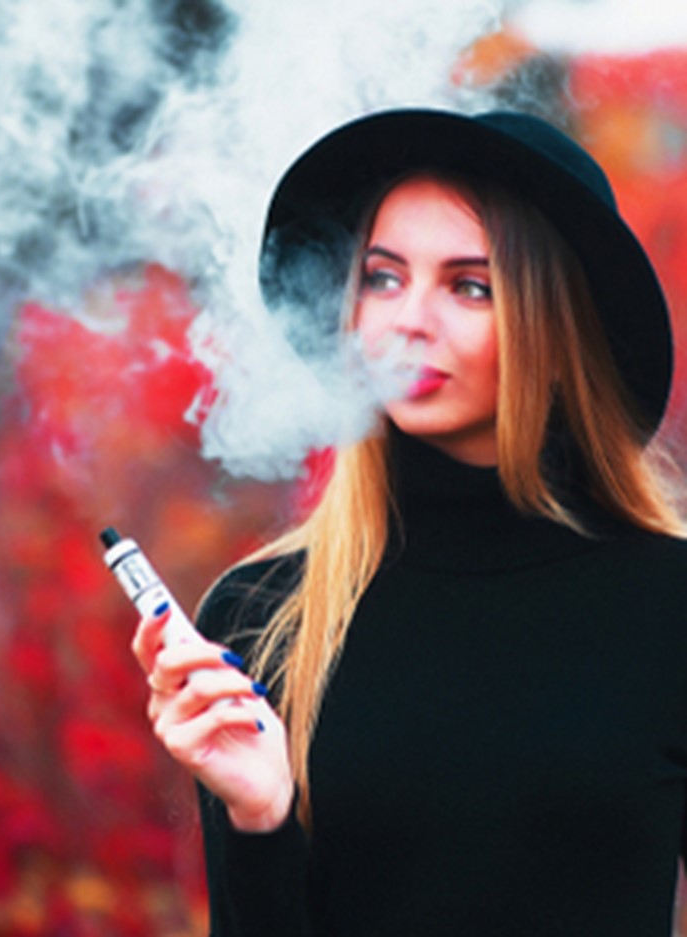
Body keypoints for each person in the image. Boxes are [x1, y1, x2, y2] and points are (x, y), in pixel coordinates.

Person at [131, 108, 687, 936]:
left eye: (470, 285)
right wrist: (260, 818)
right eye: (383, 277)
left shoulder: (667, 608)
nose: (407, 319)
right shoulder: (263, 617)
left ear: (555, 325)